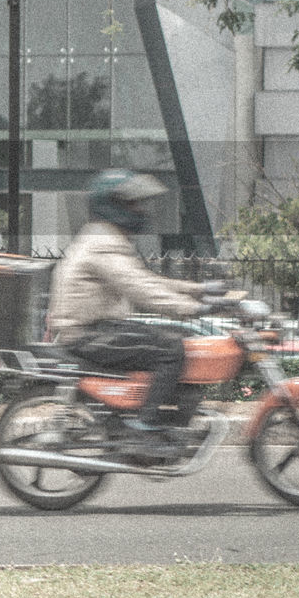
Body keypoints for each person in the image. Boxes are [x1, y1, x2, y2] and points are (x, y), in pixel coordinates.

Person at [46, 169, 214, 439]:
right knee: (171, 349)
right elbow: (138, 288)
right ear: (111, 205)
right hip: (88, 334)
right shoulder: (102, 242)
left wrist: (200, 291)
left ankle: (153, 415)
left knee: (177, 340)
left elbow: (143, 279)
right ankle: (144, 425)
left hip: (99, 328)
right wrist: (191, 308)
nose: (139, 210)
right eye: (131, 204)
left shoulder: (106, 236)